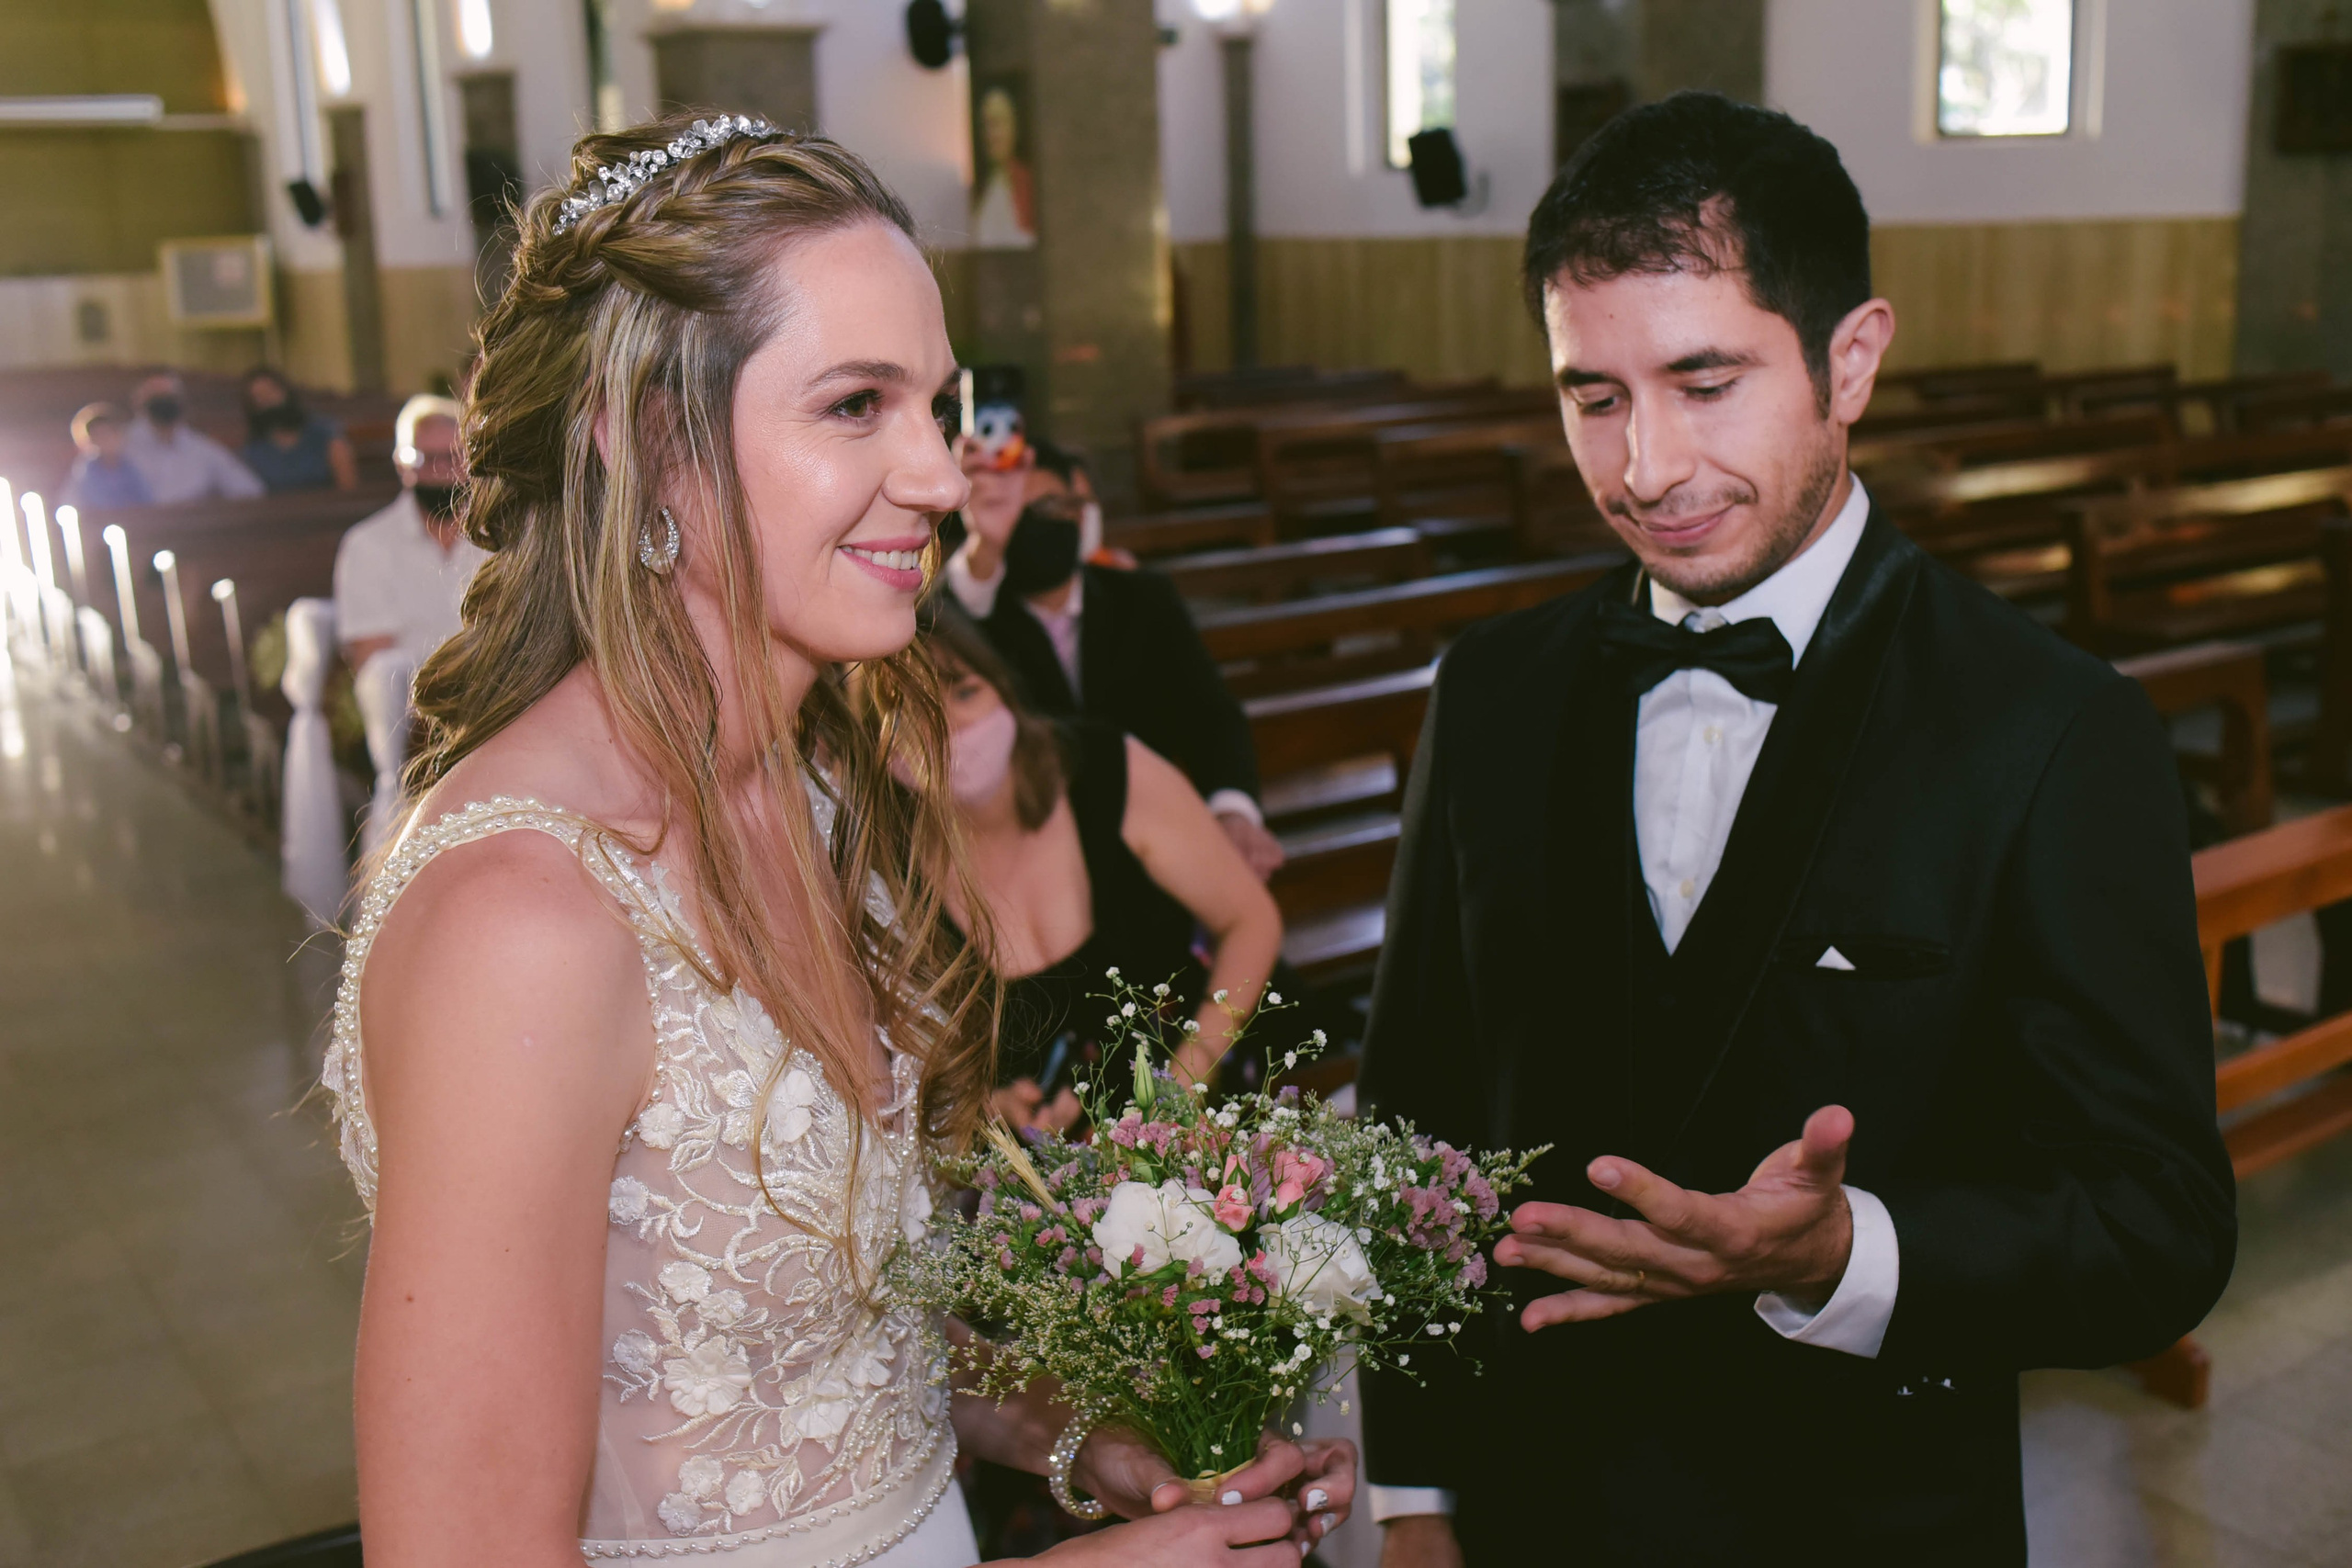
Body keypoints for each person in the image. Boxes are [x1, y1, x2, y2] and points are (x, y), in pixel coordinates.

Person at [319, 112, 1350, 1568]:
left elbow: (821, 1343)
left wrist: (1078, 1438)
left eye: (940, 400)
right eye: (858, 404)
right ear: (648, 440)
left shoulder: (820, 801)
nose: (939, 477)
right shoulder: (526, 915)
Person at [1358, 92, 2234, 1565]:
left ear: (1852, 359)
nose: (1646, 466)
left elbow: (2157, 1227)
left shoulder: (2051, 728)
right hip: (1528, 1505)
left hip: (1860, 1512)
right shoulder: (1492, 692)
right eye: (1594, 395)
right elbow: (1412, 1116)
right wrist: (1415, 1495)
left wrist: (1848, 1251)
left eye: (1707, 381)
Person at [918, 607, 1282, 1133]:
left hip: (1196, 1124)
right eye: (913, 711)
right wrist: (985, 1114)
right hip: (1035, 1187)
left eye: (965, 691)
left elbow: (1251, 920)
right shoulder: (887, 858)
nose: (947, 727)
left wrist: (1181, 1086)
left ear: (1004, 689)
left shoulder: (1106, 768)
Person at [944, 439, 1284, 880]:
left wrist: (1233, 813)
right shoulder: (971, 626)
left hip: (1150, 846)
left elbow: (1211, 716)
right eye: (1015, 513)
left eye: (1048, 505)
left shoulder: (1144, 598)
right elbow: (946, 614)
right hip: (1033, 860)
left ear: (1079, 513)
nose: (1032, 524)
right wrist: (984, 549)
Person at [333, 394, 487, 676]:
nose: (441, 470)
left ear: (471, 460)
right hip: (412, 706)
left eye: (453, 457)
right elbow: (374, 668)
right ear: (401, 464)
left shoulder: (503, 536)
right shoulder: (367, 546)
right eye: (424, 458)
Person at [123, 371, 266, 503]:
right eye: (155, 395)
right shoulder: (121, 446)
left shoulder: (202, 448)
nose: (163, 401)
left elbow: (249, 489)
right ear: (137, 401)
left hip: (193, 524)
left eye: (169, 396)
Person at [239, 367, 359, 492]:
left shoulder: (325, 432)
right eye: (259, 397)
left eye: (271, 392)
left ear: (286, 392)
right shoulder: (254, 449)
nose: (268, 400)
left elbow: (348, 486)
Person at [61, 402, 153, 510]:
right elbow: (73, 503)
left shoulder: (133, 466)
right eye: (99, 435)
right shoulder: (83, 471)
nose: (105, 440)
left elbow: (147, 500)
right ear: (91, 440)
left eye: (108, 433)